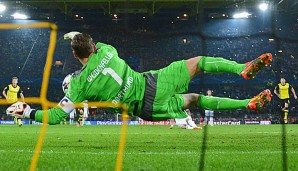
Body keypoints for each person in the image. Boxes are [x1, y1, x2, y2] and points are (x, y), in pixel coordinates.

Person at [6, 32, 272, 124]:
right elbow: (92, 45)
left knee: (194, 100)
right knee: (199, 63)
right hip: (152, 82)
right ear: (93, 47)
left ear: (76, 56)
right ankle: (241, 68)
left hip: (144, 108)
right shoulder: (108, 51)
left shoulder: (77, 85)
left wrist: (28, 111)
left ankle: (247, 104)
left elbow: (55, 117)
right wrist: (77, 37)